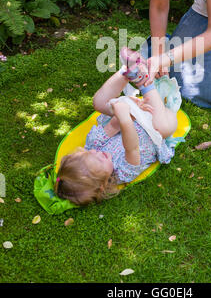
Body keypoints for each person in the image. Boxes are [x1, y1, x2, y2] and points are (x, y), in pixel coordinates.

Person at [55, 48, 178, 206]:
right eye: (98, 161)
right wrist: (127, 118)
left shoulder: (93, 145)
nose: (98, 153)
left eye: (90, 153)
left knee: (98, 102)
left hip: (130, 117)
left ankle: (127, 71)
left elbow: (113, 126)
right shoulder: (123, 173)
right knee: (164, 128)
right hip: (152, 130)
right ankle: (145, 83)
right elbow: (132, 147)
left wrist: (131, 108)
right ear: (102, 184)